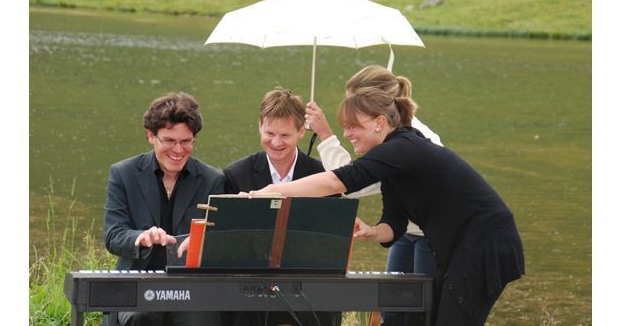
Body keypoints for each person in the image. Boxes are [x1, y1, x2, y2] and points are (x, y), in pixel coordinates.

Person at [251, 87, 525, 326]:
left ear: (379, 122)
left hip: (484, 243)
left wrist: (274, 191)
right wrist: (371, 231)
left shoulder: (404, 146)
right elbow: (394, 225)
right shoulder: (393, 163)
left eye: (353, 126)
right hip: (459, 248)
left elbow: (339, 181)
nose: (347, 134)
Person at [305, 65, 440, 325]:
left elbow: (351, 182)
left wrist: (325, 134)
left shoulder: (409, 140)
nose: (350, 116)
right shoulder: (388, 131)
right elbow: (360, 177)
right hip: (405, 230)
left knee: (422, 313)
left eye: (355, 106)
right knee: (392, 308)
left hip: (432, 235)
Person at [103, 92, 225, 326]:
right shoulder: (123, 173)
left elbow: (220, 240)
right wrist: (141, 237)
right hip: (138, 284)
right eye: (169, 140)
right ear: (151, 135)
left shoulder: (213, 180)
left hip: (192, 289)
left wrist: (202, 243)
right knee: (141, 318)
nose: (178, 150)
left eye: (186, 141)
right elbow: (113, 235)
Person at [222, 87, 341, 326]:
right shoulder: (236, 175)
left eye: (285, 135)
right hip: (251, 281)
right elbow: (227, 243)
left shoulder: (322, 175)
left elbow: (331, 238)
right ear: (259, 126)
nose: (276, 142)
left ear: (301, 131)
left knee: (321, 311)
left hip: (307, 277)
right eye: (269, 133)